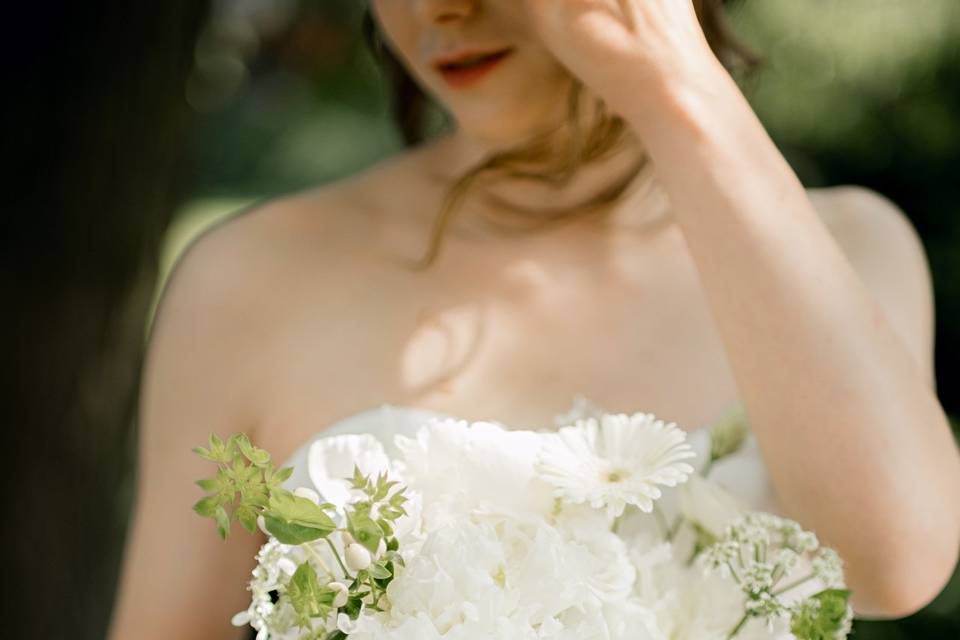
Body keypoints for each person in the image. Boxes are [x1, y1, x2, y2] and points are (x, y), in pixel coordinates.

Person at [109, 1, 960, 638]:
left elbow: (890, 567)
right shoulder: (250, 279)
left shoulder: (851, 245)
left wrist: (672, 84)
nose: (435, 11)